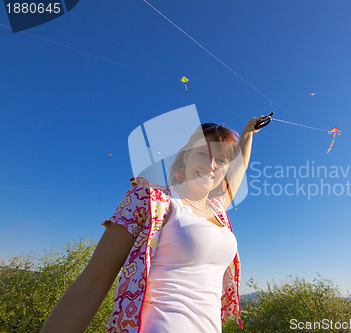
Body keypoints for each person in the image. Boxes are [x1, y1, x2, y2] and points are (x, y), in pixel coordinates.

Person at [40, 116, 263, 333]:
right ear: (186, 157)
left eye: (222, 160)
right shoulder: (150, 199)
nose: (212, 165)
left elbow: (240, 168)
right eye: (203, 154)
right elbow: (90, 286)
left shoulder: (218, 210)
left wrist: (247, 134)